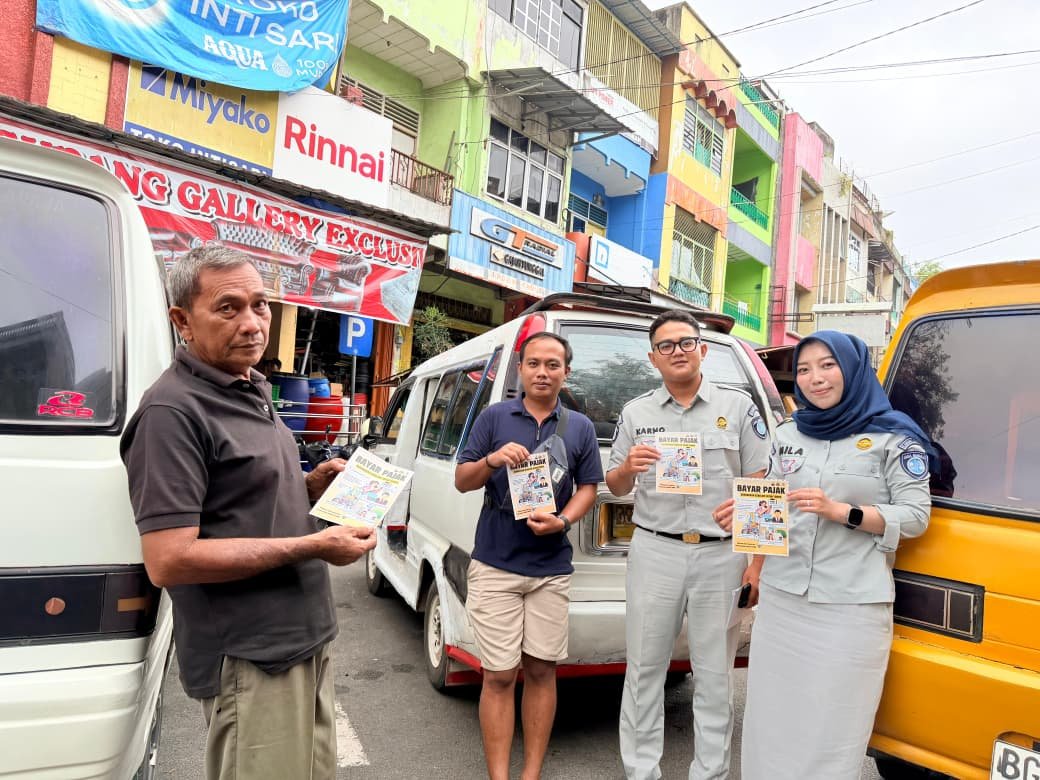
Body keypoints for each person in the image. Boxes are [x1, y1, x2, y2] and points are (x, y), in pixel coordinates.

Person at [120, 245, 376, 780]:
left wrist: (308, 487)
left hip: (304, 640)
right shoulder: (172, 412)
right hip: (251, 658)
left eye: (260, 305)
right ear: (182, 321)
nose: (252, 323)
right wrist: (313, 546)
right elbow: (169, 559)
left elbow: (238, 498)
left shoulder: (251, 387)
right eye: (228, 308)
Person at [714, 330, 931, 779]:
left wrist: (843, 511)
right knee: (773, 717)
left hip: (850, 604)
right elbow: (770, 504)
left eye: (827, 365)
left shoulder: (895, 436)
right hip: (784, 599)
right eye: (805, 369)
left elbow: (915, 516)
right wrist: (746, 519)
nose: (815, 378)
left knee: (833, 722)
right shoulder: (789, 432)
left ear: (852, 369)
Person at [607, 309, 771, 780]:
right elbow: (615, 486)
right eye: (666, 346)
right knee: (643, 671)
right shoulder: (636, 413)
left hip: (722, 555)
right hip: (655, 550)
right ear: (653, 358)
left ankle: (710, 773)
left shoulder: (738, 407)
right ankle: (641, 771)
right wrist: (627, 469)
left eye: (686, 342)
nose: (677, 351)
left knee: (715, 676)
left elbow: (762, 483)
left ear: (702, 349)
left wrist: (755, 565)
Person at [455, 332, 603, 780]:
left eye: (553, 365)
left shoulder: (580, 427)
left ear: (566, 372)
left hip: (550, 569)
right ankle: (499, 776)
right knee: (499, 675)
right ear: (521, 369)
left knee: (541, 671)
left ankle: (531, 774)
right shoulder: (495, 416)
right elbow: (463, 480)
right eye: (534, 363)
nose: (543, 372)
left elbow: (589, 488)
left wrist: (564, 522)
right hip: (496, 563)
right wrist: (494, 459)